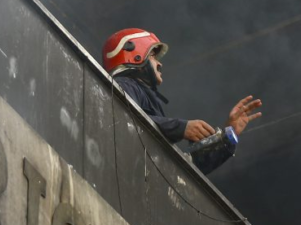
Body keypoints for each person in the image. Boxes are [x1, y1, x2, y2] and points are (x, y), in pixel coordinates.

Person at [102, 28, 262, 174]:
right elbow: (124, 117)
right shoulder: (124, 85)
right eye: (153, 56)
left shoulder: (148, 100)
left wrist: (229, 135)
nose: (160, 63)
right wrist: (181, 128)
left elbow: (185, 170)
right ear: (135, 55)